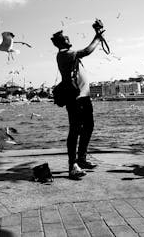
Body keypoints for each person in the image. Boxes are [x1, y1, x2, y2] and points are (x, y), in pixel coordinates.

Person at [51, 25, 104, 179]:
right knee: (75, 130)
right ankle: (72, 165)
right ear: (60, 44)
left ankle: (82, 159)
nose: (69, 39)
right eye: (65, 39)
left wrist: (97, 35)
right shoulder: (64, 55)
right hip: (75, 99)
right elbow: (87, 51)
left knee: (88, 126)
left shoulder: (70, 54)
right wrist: (98, 37)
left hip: (84, 97)